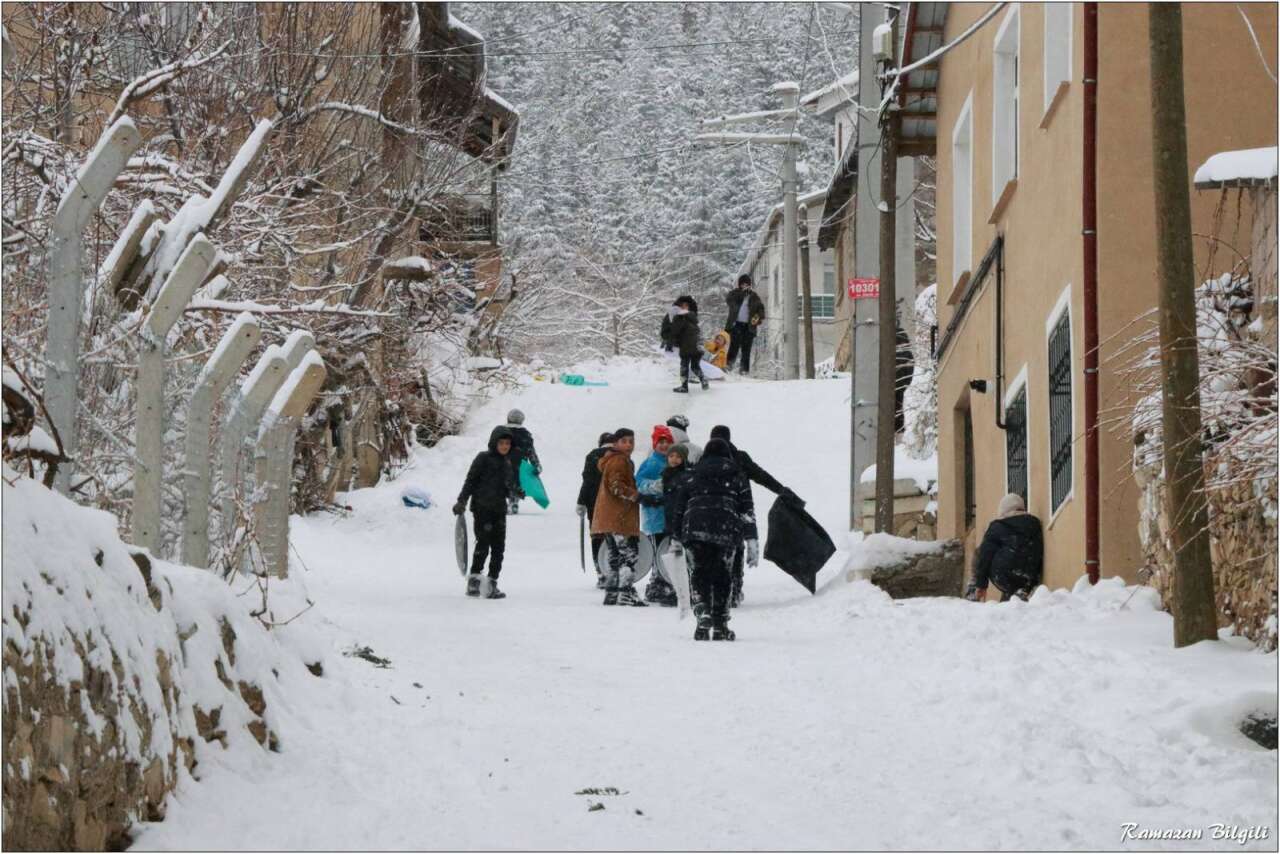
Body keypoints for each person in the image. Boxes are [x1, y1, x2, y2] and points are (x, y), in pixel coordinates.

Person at [708, 424, 804, 607]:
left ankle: (724, 590)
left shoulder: (707, 459)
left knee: (718, 552)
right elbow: (762, 476)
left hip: (717, 512)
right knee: (736, 550)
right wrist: (781, 491)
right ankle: (734, 589)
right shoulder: (739, 458)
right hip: (738, 511)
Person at [672, 438, 757, 640]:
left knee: (698, 572)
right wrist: (751, 540)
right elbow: (747, 510)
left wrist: (676, 536)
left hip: (695, 528)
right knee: (722, 576)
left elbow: (679, 509)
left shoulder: (692, 474)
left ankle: (702, 612)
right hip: (726, 529)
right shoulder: (737, 474)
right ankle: (720, 625)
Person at [453, 426, 515, 599]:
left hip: (499, 510)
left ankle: (492, 583)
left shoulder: (507, 462)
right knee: (483, 544)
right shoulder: (483, 458)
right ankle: (473, 581)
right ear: (494, 442)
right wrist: (461, 500)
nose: (504, 446)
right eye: (501, 443)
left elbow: (507, 487)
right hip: (482, 509)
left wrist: (515, 491)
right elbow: (470, 480)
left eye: (507, 443)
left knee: (499, 548)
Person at [592, 428, 647, 606]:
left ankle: (612, 592)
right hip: (619, 517)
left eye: (631, 441)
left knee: (614, 556)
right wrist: (636, 495)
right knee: (628, 555)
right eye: (624, 441)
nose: (629, 445)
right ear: (615, 443)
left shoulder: (611, 460)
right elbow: (616, 487)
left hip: (608, 517)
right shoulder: (620, 461)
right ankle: (626, 592)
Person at [967, 493, 1044, 602]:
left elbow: (985, 555)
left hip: (1004, 575)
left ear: (1003, 510)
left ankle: (973, 587)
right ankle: (1018, 595)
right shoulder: (1035, 524)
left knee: (980, 552)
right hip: (1029, 578)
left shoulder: (998, 526)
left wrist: (981, 584)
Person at [636, 426, 677, 605]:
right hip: (654, 517)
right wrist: (657, 487)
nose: (663, 445)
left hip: (667, 516)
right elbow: (639, 483)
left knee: (665, 550)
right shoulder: (651, 462)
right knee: (657, 551)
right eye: (660, 442)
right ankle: (656, 585)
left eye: (667, 442)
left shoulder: (670, 462)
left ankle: (664, 583)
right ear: (654, 444)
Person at [576, 431, 615, 588]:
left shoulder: (592, 456)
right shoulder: (620, 455)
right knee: (614, 538)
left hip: (595, 503)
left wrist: (581, 502)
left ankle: (601, 573)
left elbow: (588, 481)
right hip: (614, 502)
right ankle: (614, 571)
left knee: (598, 537)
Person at [724, 274, 765, 374]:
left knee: (746, 349)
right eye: (743, 284)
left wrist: (757, 318)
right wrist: (742, 293)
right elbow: (729, 300)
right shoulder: (734, 294)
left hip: (749, 327)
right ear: (739, 285)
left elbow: (761, 310)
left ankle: (744, 371)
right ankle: (728, 366)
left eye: (747, 284)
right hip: (736, 325)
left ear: (750, 285)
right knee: (734, 347)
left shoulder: (754, 297)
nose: (745, 286)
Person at [669, 295, 709, 393]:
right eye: (682, 305)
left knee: (684, 366)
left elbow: (675, 331)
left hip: (687, 345)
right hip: (697, 345)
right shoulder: (693, 317)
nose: (683, 307)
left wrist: (671, 342)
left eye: (685, 306)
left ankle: (684, 386)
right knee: (695, 366)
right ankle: (703, 379)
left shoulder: (680, 317)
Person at [504, 409, 541, 514]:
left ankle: (505, 502)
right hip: (520, 465)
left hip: (502, 462)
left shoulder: (501, 431)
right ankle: (514, 501)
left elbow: (493, 447)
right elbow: (531, 451)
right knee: (517, 483)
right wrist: (536, 464)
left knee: (501, 482)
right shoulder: (525, 434)